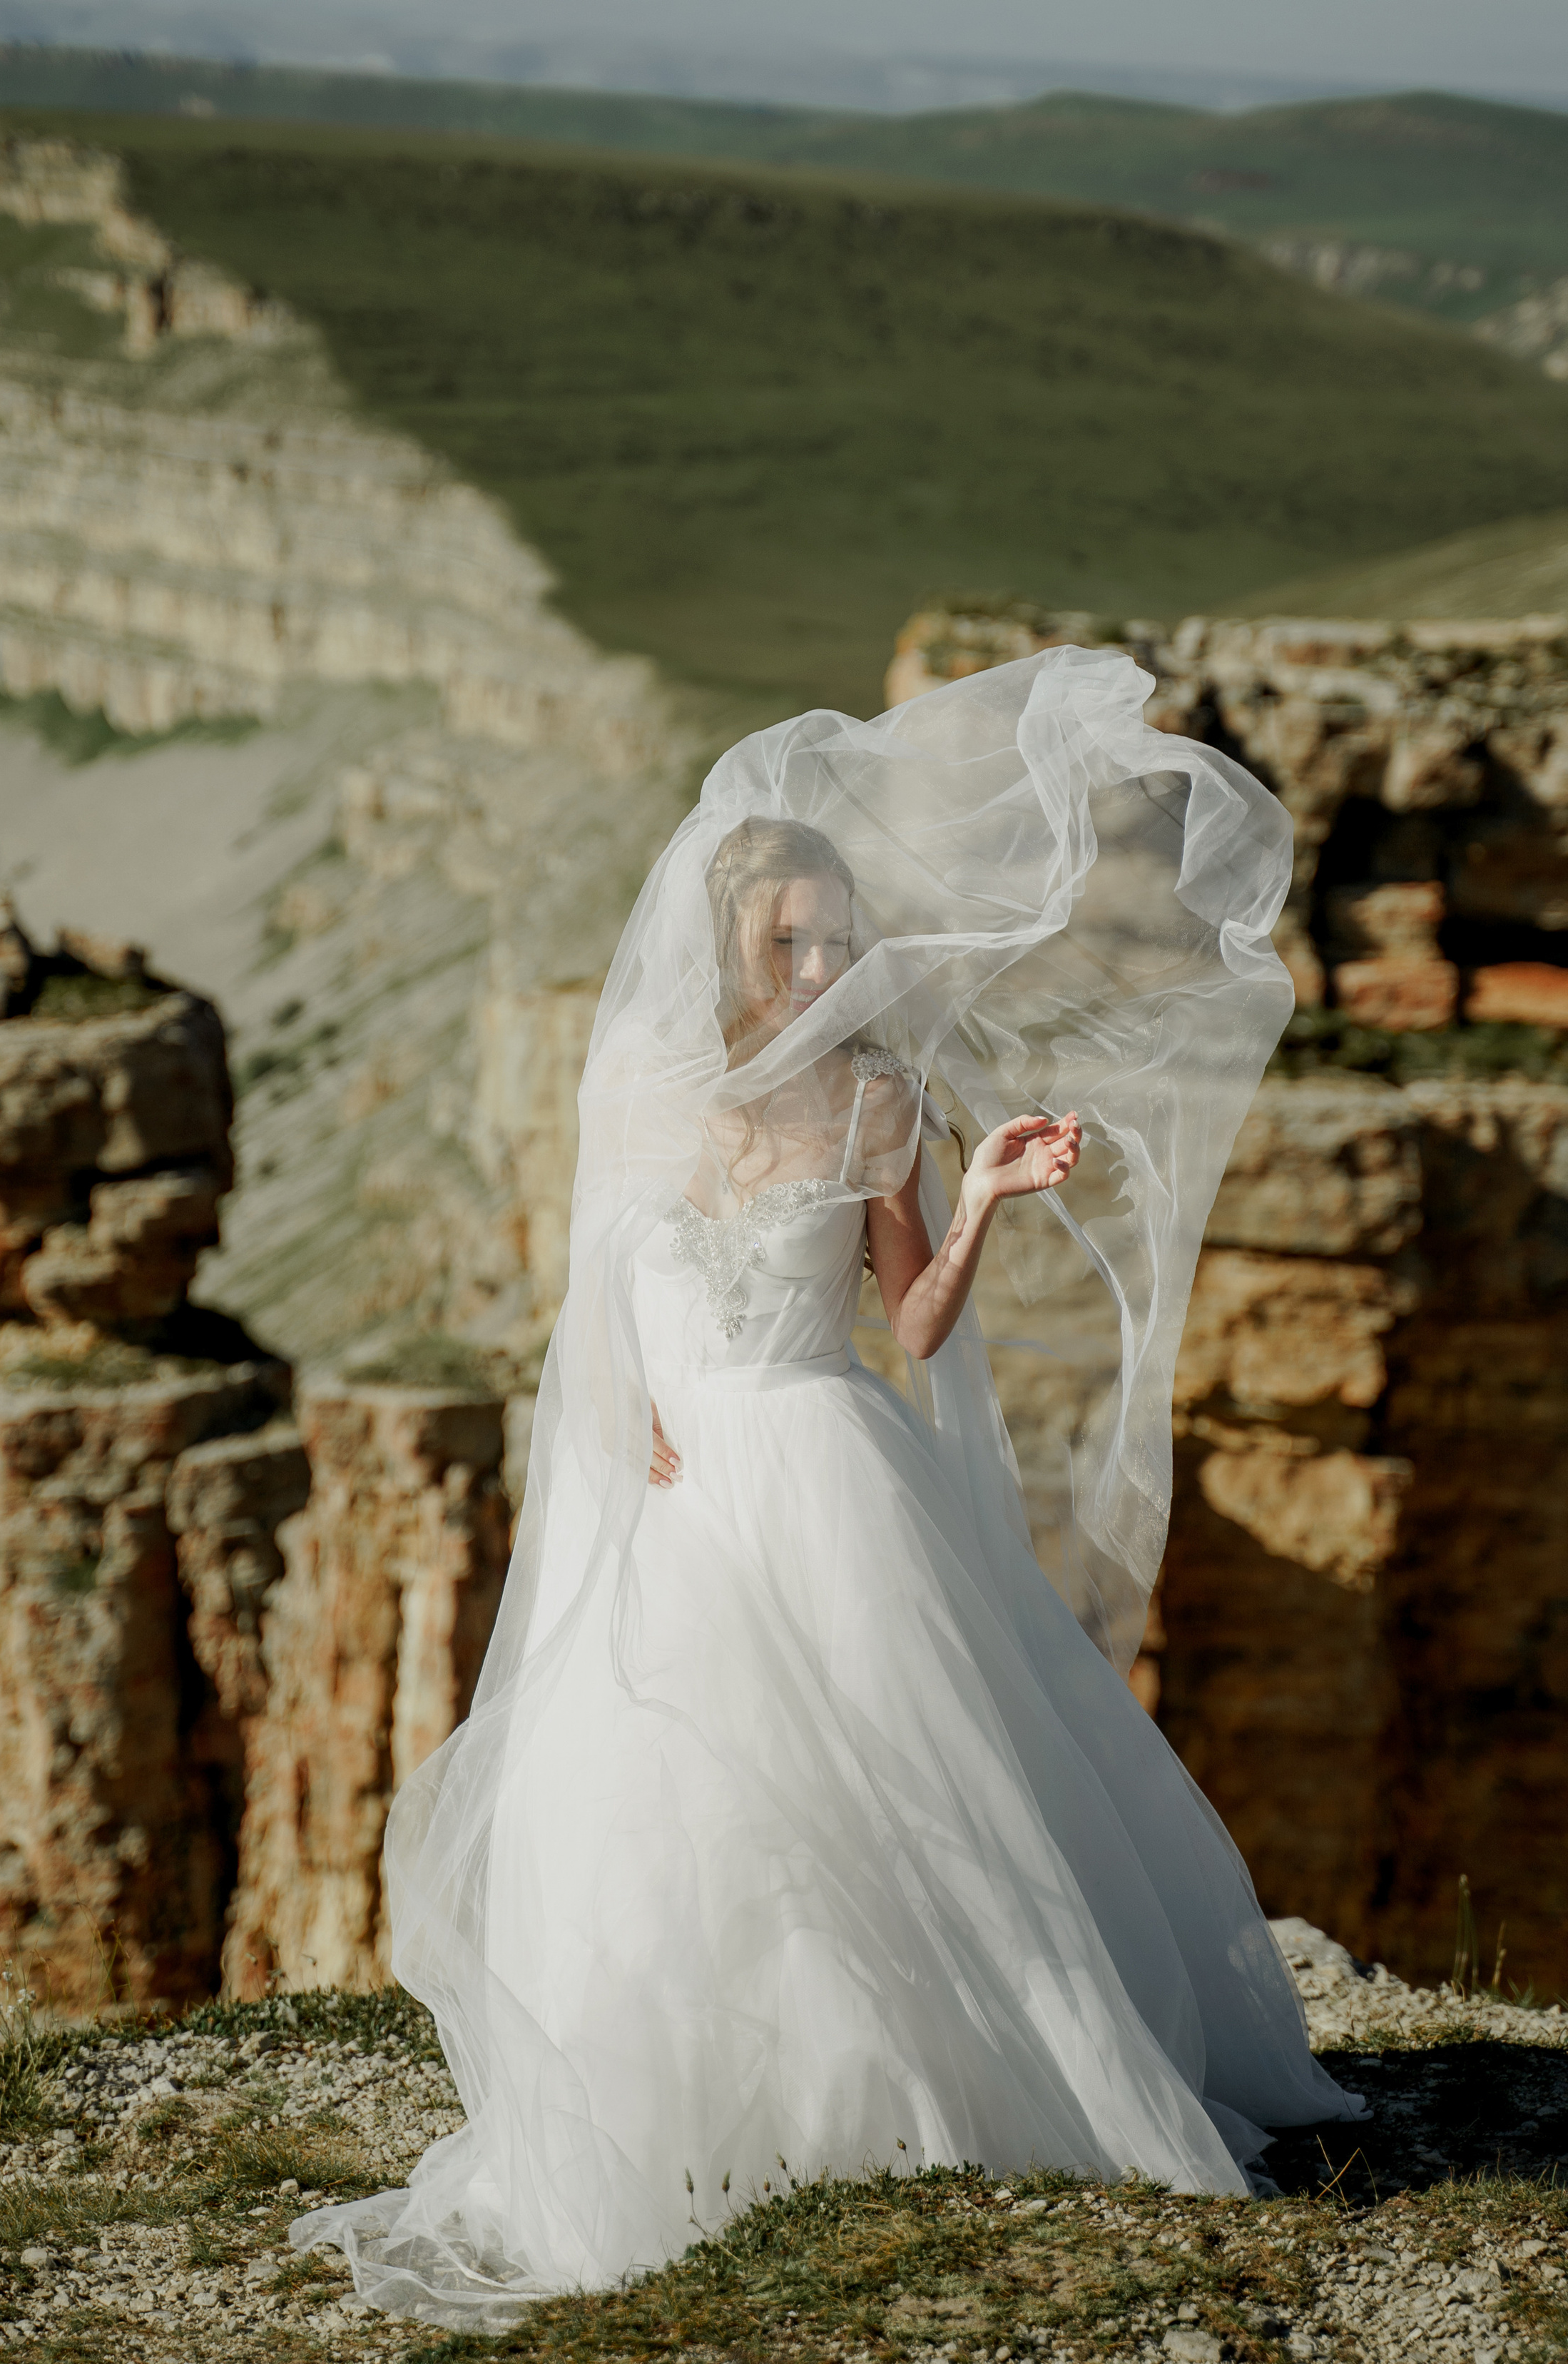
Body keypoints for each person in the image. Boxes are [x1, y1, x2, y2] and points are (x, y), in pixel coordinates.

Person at [293, 644, 1365, 2328]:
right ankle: (691, 2136)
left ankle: (930, 2105)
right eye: (782, 939)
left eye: (833, 937)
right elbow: (593, 1285)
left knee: (900, 1792)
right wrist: (621, 1410)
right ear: (724, 947)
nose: (813, 964)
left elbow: (914, 1320)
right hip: (679, 1495)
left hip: (827, 1468)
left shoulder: (878, 1099)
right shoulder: (644, 1088)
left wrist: (986, 1191)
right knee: (677, 1808)